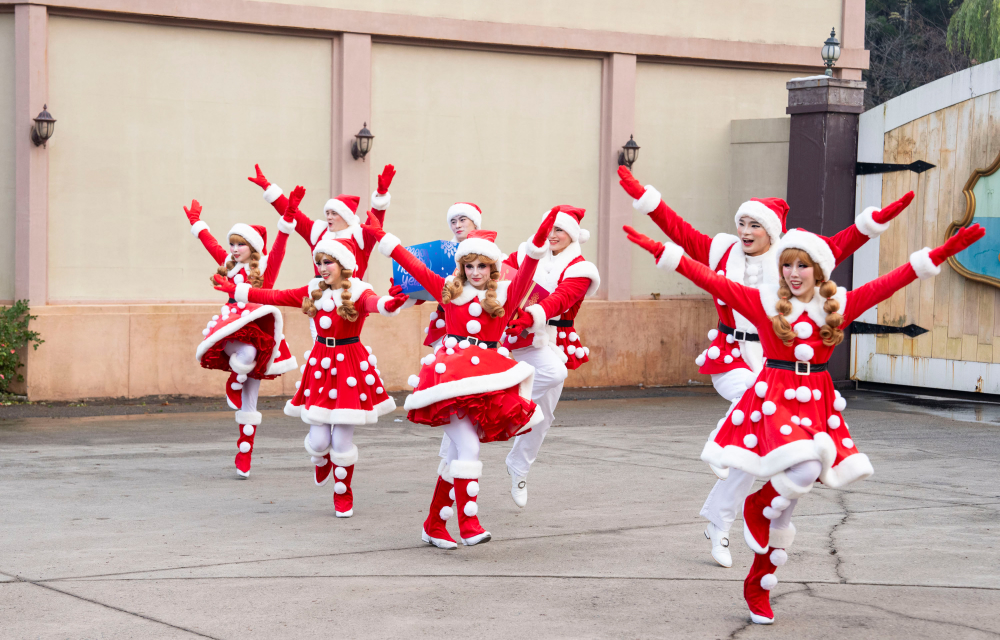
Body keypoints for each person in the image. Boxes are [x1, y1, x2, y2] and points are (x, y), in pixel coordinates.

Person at [625, 221, 984, 624]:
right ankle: (755, 506)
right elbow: (709, 278)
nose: (793, 273)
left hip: (816, 402)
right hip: (775, 396)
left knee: (787, 511)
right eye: (787, 265)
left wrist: (939, 253)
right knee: (808, 466)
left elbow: (890, 282)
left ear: (819, 271)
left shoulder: (837, 307)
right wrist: (663, 251)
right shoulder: (763, 302)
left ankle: (758, 585)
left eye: (802, 266)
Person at [617, 165, 914, 567]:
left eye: (754, 224)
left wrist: (872, 224)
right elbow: (678, 230)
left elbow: (839, 246)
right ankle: (724, 490)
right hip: (732, 356)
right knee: (753, 418)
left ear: (771, 231)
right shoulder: (721, 251)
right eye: (741, 222)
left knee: (755, 445)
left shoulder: (791, 261)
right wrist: (645, 199)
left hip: (777, 361)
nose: (745, 230)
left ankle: (720, 518)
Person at [364, 209, 558, 549]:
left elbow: (528, 266)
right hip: (450, 381)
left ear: (492, 268)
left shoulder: (506, 297)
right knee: (467, 447)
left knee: (456, 453)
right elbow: (414, 266)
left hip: (486, 383)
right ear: (462, 267)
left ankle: (434, 525)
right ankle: (468, 523)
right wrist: (383, 237)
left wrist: (540, 237)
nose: (476, 272)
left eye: (482, 266)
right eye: (470, 266)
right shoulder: (448, 291)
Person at [214, 231, 409, 517]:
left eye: (329, 261)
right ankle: (320, 459)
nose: (323, 267)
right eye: (320, 262)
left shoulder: (358, 290)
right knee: (318, 442)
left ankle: (343, 493)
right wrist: (235, 291)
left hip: (350, 368)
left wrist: (390, 303)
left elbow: (374, 303)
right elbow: (274, 295)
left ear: (343, 264)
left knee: (342, 441)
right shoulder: (312, 290)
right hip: (320, 367)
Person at [184, 195, 299, 477]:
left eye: (241, 244)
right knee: (245, 355)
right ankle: (234, 381)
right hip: (231, 331)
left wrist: (287, 219)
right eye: (232, 244)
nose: (234, 249)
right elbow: (211, 244)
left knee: (252, 402)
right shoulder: (229, 266)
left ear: (253, 248)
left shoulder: (264, 274)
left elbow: (280, 249)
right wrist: (197, 223)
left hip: (261, 334)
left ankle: (244, 455)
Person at [500, 205, 600, 506]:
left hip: (550, 339)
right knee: (553, 375)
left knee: (542, 416)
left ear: (572, 234)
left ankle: (518, 465)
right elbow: (499, 277)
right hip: (511, 335)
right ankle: (453, 462)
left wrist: (532, 316)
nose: (554, 235)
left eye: (560, 230)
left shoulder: (581, 269)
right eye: (550, 228)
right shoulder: (524, 253)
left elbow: (562, 298)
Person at [247, 163, 397, 279]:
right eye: (327, 213)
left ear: (346, 217)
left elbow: (375, 223)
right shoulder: (317, 232)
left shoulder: (360, 237)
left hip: (350, 300)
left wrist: (381, 195)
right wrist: (267, 187)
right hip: (319, 298)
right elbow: (292, 212)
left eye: (334, 213)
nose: (329, 217)